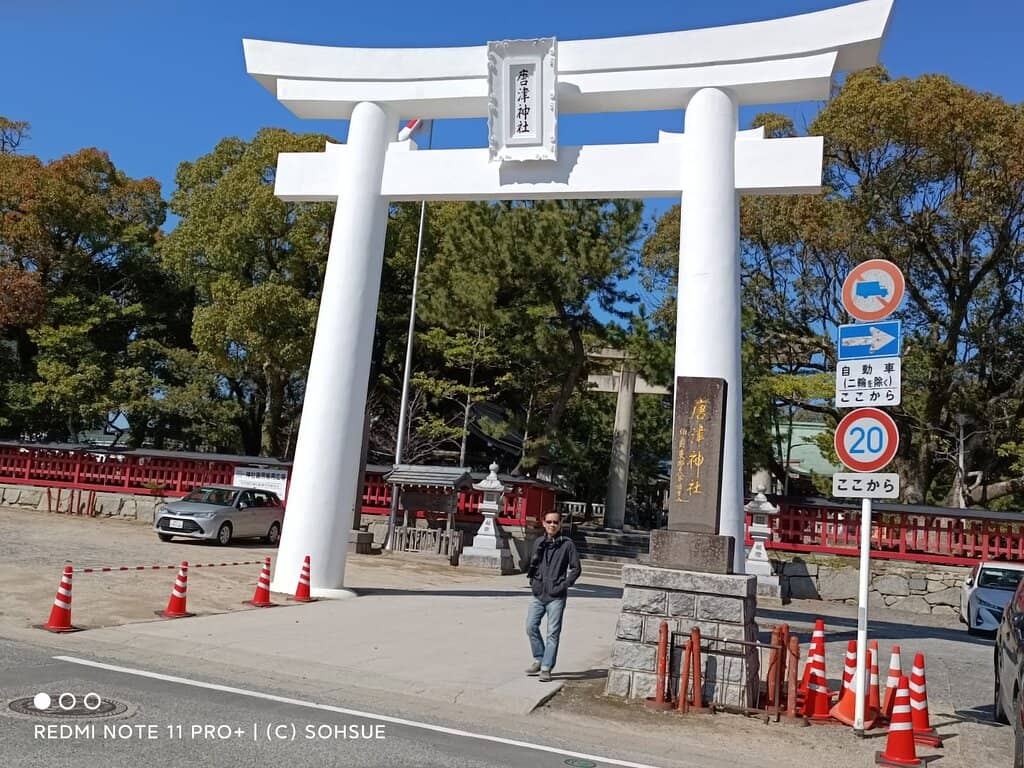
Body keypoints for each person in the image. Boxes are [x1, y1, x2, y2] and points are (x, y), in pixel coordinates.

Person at [525, 510, 581, 682]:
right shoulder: (539, 542)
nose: (552, 525)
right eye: (549, 522)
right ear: (543, 523)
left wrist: (564, 584)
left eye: (555, 522)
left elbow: (576, 568)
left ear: (560, 524)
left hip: (556, 596)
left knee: (552, 633)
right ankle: (539, 657)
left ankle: (546, 667)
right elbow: (533, 564)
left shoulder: (567, 544)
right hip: (538, 592)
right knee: (530, 627)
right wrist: (533, 581)